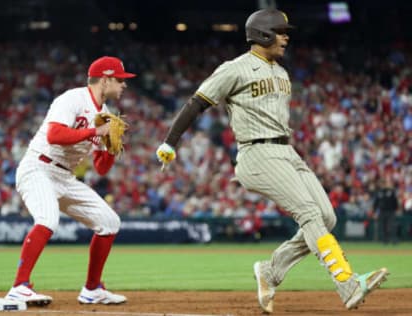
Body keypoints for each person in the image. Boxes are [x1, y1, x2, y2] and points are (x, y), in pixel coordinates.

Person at [156, 8, 389, 313]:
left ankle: (271, 271)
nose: (286, 37)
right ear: (264, 34)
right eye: (280, 31)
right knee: (308, 213)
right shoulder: (235, 68)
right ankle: (347, 284)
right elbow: (196, 103)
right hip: (256, 152)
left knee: (327, 218)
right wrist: (170, 143)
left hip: (286, 150)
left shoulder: (281, 71)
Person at [5, 56, 135, 306]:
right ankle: (19, 286)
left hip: (65, 176)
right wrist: (95, 132)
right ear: (105, 79)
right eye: (120, 80)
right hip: (38, 168)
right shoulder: (72, 99)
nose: (124, 85)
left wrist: (109, 149)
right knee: (47, 220)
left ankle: (92, 289)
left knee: (109, 222)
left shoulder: (105, 116)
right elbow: (54, 135)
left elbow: (100, 169)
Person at [373, 177, 400, 244]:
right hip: (382, 211)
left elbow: (395, 201)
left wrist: (397, 209)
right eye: (381, 183)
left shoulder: (391, 191)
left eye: (383, 183)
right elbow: (376, 203)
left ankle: (394, 239)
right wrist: (375, 212)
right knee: (383, 226)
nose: (382, 185)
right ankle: (385, 240)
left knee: (392, 226)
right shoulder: (379, 192)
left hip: (391, 211)